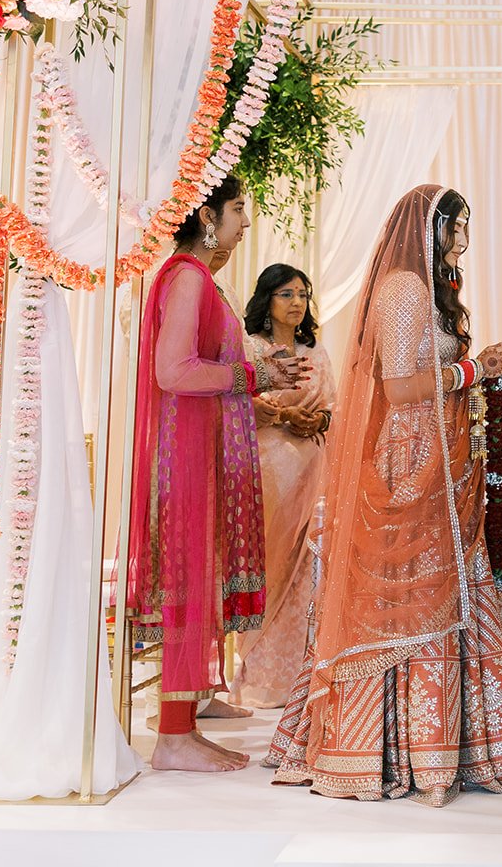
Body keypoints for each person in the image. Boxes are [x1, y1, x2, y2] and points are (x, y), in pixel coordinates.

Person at [267, 185, 502, 804]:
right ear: (428, 229)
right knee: (411, 591)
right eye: (454, 228)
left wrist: (474, 364)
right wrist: (473, 372)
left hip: (442, 458)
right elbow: (400, 385)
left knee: (454, 584)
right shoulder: (402, 290)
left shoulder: (429, 290)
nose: (462, 242)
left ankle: (451, 748)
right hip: (409, 461)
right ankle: (394, 750)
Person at [126, 176, 305, 773]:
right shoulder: (185, 278)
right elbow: (173, 372)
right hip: (187, 455)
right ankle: (173, 738)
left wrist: (262, 382)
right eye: (237, 210)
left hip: (201, 449)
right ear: (207, 214)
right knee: (187, 582)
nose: (244, 223)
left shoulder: (194, 278)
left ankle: (183, 724)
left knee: (200, 579)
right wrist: (252, 379)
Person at [232, 265, 335, 710]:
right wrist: (284, 416)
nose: (296, 302)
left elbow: (333, 404)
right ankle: (262, 679)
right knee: (270, 572)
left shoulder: (316, 352)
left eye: (302, 295)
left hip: (314, 470)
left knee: (309, 578)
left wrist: (320, 419)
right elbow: (239, 405)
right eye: (286, 293)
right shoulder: (251, 348)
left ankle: (304, 679)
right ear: (266, 299)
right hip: (267, 474)